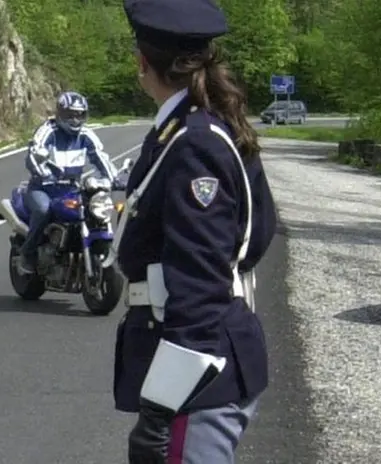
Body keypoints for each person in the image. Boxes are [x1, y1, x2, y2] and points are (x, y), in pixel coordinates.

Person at [108, 0, 279, 461]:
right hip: (204, 368)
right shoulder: (199, 128)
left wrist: (160, 409)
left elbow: (201, 284)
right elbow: (259, 232)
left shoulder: (194, 142)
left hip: (196, 377)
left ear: (143, 62)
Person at [17, 91, 117, 274]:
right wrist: (43, 173)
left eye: (79, 115)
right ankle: (28, 254)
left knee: (93, 212)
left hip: (72, 189)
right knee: (43, 210)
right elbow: (33, 154)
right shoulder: (48, 130)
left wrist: (113, 178)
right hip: (43, 188)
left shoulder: (86, 134)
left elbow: (100, 157)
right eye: (70, 115)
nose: (75, 120)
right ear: (61, 114)